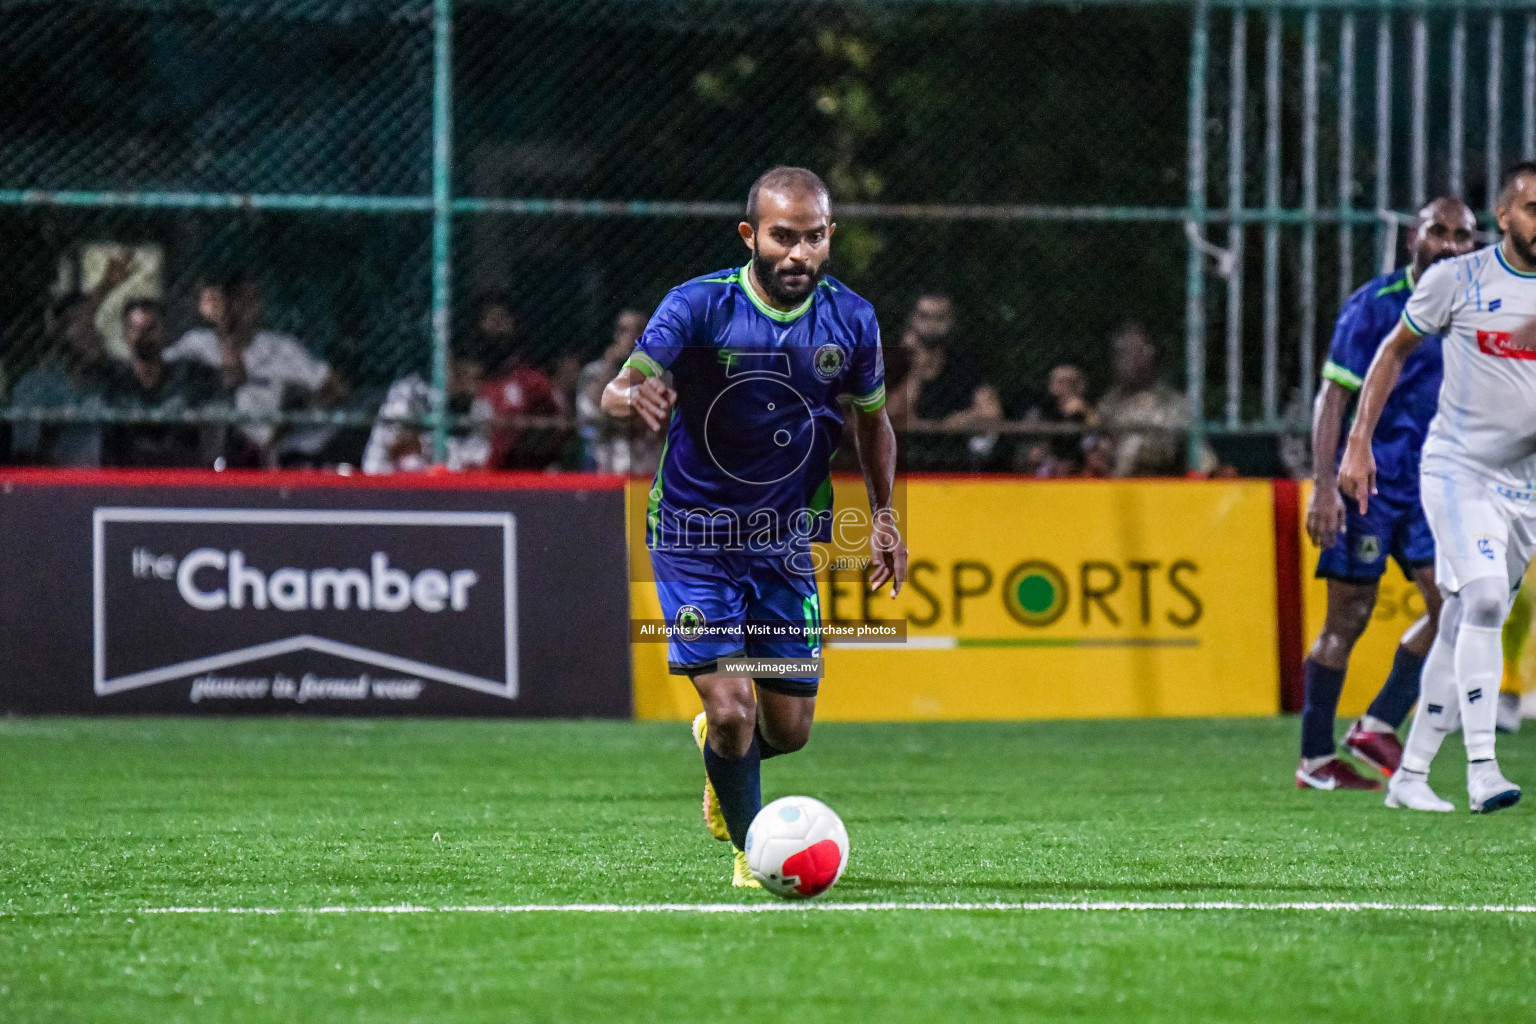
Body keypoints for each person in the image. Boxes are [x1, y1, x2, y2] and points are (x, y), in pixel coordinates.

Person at [599, 166, 906, 888]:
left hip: (784, 541)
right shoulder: (699, 306)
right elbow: (631, 375)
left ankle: (721, 755)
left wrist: (886, 517)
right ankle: (750, 852)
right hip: (692, 536)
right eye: (783, 237)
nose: (799, 253)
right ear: (752, 235)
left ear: (830, 237)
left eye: (814, 237)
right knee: (734, 707)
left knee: (789, 731)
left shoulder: (852, 319)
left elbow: (874, 422)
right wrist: (622, 393)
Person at [1339, 163, 1536, 814]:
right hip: (1456, 469)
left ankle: (1410, 773)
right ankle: (1483, 767)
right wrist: (1359, 442)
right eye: (1532, 209)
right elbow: (1393, 351)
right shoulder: (1459, 279)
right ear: (1505, 216)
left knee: (1459, 622)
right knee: (1481, 599)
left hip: (1523, 487)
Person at [1296, 197, 1476, 792]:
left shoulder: (1478, 309)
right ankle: (1316, 760)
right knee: (1348, 618)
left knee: (1458, 604)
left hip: (1434, 488)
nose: (1449, 244)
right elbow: (1332, 397)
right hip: (1367, 488)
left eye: (1461, 236)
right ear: (1412, 239)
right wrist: (1324, 487)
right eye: (1438, 232)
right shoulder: (1373, 307)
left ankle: (1376, 724)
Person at [163, 272, 347, 465]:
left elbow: (336, 389)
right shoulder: (197, 343)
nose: (244, 309)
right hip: (209, 451)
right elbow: (161, 367)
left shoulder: (281, 347)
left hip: (268, 451)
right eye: (236, 300)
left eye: (252, 300)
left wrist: (294, 420)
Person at [10, 293, 131, 467]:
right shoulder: (35, 386)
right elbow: (26, 454)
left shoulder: (114, 381)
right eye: (84, 325)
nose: (93, 333)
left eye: (95, 326)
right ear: (60, 331)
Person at [103, 298, 227, 467]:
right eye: (136, 328)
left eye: (151, 328)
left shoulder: (190, 376)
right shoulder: (114, 380)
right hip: (130, 473)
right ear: (125, 334)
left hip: (180, 472)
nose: (144, 336)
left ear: (165, 332)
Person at [1097, 323, 1216, 477]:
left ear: (1150, 356)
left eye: (1138, 353)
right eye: (1123, 353)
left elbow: (1202, 459)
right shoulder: (1107, 403)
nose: (1129, 361)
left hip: (1160, 482)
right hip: (1112, 486)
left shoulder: (1172, 402)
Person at [361, 340, 493, 474]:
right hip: (385, 478)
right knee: (411, 461)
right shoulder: (407, 391)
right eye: (461, 374)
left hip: (442, 484)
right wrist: (451, 451)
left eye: (475, 379)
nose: (468, 386)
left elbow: (480, 457)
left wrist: (422, 444)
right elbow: (396, 446)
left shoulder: (480, 407)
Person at [472, 292, 563, 468]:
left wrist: (528, 428)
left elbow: (560, 423)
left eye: (501, 319)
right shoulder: (466, 374)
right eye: (490, 319)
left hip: (525, 462)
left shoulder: (531, 379)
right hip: (481, 459)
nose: (496, 326)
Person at [577, 308, 665, 474]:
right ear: (616, 335)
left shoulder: (663, 374)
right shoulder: (595, 372)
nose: (631, 336)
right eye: (624, 330)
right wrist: (609, 365)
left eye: (639, 330)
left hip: (647, 470)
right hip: (606, 468)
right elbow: (589, 409)